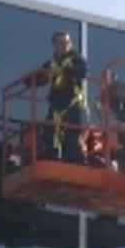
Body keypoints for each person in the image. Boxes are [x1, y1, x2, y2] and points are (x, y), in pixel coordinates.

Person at [42, 30, 89, 163]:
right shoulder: (51, 63)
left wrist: (64, 71)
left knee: (72, 138)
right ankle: (51, 161)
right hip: (56, 105)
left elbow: (84, 71)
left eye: (67, 42)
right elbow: (39, 78)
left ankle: (76, 165)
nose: (65, 45)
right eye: (61, 43)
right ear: (55, 45)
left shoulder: (75, 59)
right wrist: (40, 77)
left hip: (72, 104)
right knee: (49, 135)